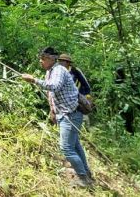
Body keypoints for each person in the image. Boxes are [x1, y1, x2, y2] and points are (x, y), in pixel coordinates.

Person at [22, 47, 93, 187]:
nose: (40, 61)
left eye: (43, 58)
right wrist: (53, 111)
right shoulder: (50, 72)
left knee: (66, 148)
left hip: (71, 113)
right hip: (65, 113)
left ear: (51, 59)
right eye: (40, 58)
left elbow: (54, 87)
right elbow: (52, 95)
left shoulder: (59, 70)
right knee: (75, 145)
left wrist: (34, 80)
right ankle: (86, 173)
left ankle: (83, 179)